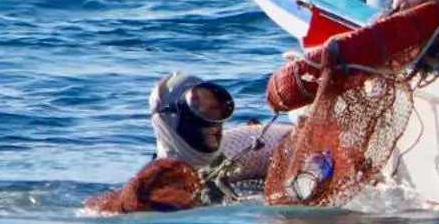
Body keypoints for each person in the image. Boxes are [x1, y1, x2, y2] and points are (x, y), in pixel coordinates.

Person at [86, 72, 289, 213]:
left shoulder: (222, 167)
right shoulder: (158, 184)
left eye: (217, 112)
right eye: (202, 112)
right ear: (170, 118)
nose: (215, 125)